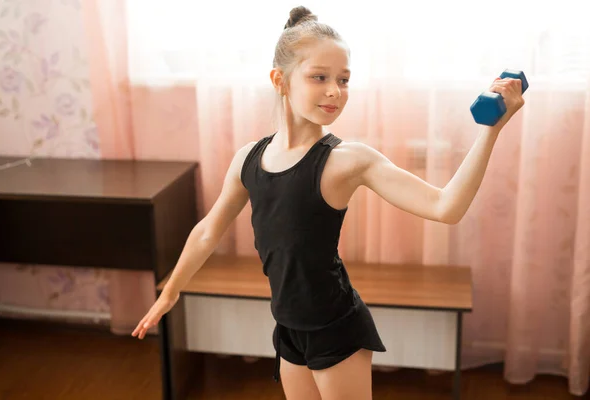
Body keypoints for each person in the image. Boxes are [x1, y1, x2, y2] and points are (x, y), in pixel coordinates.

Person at [132, 5, 525, 399]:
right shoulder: (248, 159)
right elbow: (207, 231)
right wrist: (171, 292)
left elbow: (446, 207)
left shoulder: (347, 161)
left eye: (344, 79)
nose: (335, 90)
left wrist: (492, 131)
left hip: (335, 327)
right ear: (279, 80)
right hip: (287, 328)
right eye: (319, 77)